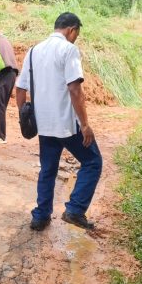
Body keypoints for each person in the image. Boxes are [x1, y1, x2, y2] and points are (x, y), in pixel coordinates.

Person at [15, 12, 103, 231]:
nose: (76, 38)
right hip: (67, 124)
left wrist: (23, 114)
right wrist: (84, 124)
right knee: (93, 162)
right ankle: (75, 209)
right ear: (71, 30)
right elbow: (75, 89)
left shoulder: (34, 51)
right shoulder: (68, 50)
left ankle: (41, 217)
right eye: (76, 34)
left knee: (48, 169)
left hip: (44, 124)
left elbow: (20, 88)